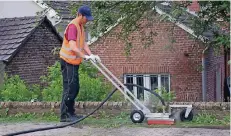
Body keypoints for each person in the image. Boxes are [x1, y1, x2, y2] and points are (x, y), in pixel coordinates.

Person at [59, 5, 100, 122]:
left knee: (75, 88)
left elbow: (83, 43)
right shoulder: (73, 26)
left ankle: (70, 113)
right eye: (86, 18)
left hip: (74, 62)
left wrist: (91, 55)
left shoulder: (81, 26)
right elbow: (73, 47)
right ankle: (65, 115)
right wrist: (85, 57)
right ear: (80, 15)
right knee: (70, 88)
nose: (87, 20)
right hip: (68, 62)